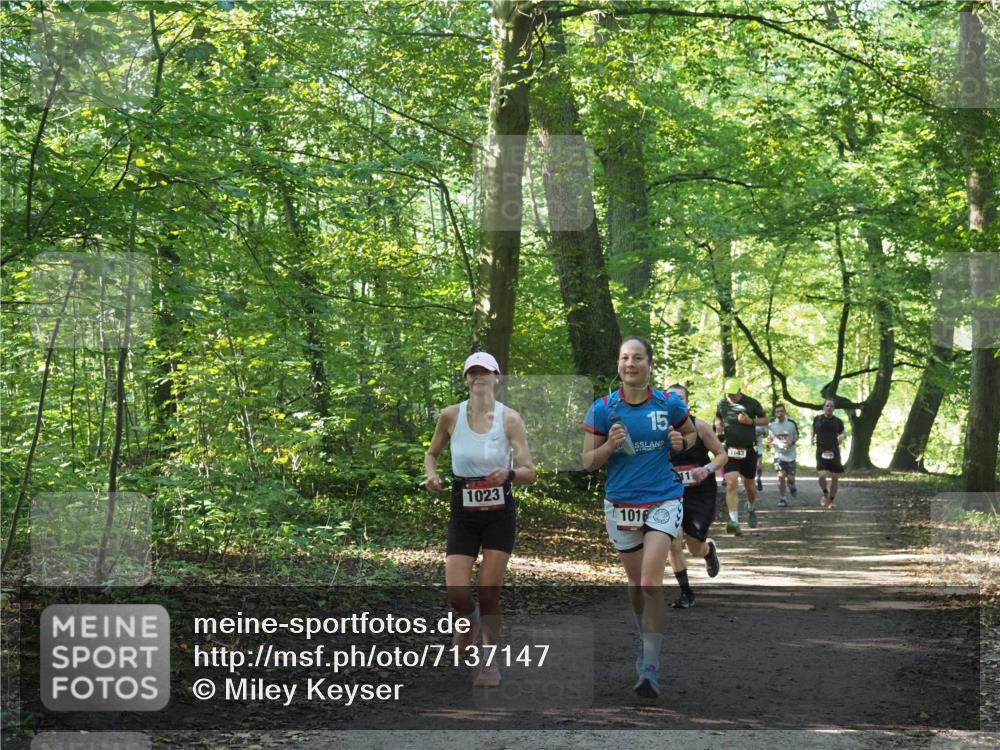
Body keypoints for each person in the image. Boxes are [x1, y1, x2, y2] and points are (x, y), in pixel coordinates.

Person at [581, 337, 697, 699]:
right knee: (635, 587)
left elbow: (692, 434)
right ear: (618, 364)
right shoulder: (602, 409)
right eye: (624, 358)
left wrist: (682, 442)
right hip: (621, 504)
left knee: (650, 582)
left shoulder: (668, 402)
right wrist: (610, 446)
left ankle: (650, 664)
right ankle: (645, 638)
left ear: (649, 363)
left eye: (637, 358)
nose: (630, 364)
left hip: (663, 497)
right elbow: (587, 462)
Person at [424, 352, 536, 687]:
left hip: (499, 512)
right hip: (463, 508)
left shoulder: (510, 419)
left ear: (497, 377)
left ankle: (489, 663)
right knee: (456, 593)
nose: (478, 378)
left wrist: (510, 472)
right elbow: (432, 454)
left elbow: (530, 472)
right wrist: (432, 476)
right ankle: (469, 622)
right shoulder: (450, 416)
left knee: (489, 593)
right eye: (472, 373)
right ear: (465, 380)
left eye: (484, 372)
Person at [665, 384, 725, 609]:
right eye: (670, 398)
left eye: (679, 399)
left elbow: (722, 455)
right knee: (673, 539)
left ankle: (708, 551)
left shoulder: (699, 426)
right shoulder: (659, 429)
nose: (675, 403)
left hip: (700, 492)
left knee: (694, 548)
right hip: (671, 492)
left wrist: (707, 469)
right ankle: (686, 592)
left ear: (687, 404)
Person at [715, 378, 767, 535]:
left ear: (739, 390)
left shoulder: (751, 403)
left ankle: (751, 507)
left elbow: (765, 420)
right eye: (727, 394)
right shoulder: (722, 403)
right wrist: (718, 425)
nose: (730, 397)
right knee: (731, 484)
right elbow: (718, 417)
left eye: (733, 394)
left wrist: (750, 421)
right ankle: (734, 522)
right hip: (730, 450)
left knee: (750, 486)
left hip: (748, 450)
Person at [812, 398, 846, 508]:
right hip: (821, 450)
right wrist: (811, 437)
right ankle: (825, 493)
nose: (829, 407)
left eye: (831, 406)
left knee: (835, 477)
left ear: (834, 408)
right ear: (824, 407)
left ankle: (831, 500)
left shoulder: (838, 421)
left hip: (834, 451)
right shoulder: (817, 419)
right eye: (827, 405)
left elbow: (842, 432)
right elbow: (813, 429)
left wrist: (841, 437)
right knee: (822, 476)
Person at [768, 404, 799, 506]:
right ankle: (783, 498)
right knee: (781, 476)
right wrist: (775, 443)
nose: (780, 413)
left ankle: (792, 485)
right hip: (778, 455)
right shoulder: (772, 425)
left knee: (790, 478)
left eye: (781, 411)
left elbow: (796, 436)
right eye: (777, 411)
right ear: (775, 413)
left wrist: (791, 442)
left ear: (785, 412)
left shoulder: (791, 423)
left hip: (791, 455)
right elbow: (770, 439)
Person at [755, 424, 766, 491]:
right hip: (748, 448)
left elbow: (766, 433)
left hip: (758, 448)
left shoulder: (760, 422)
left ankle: (759, 479)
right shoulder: (745, 420)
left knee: (759, 465)